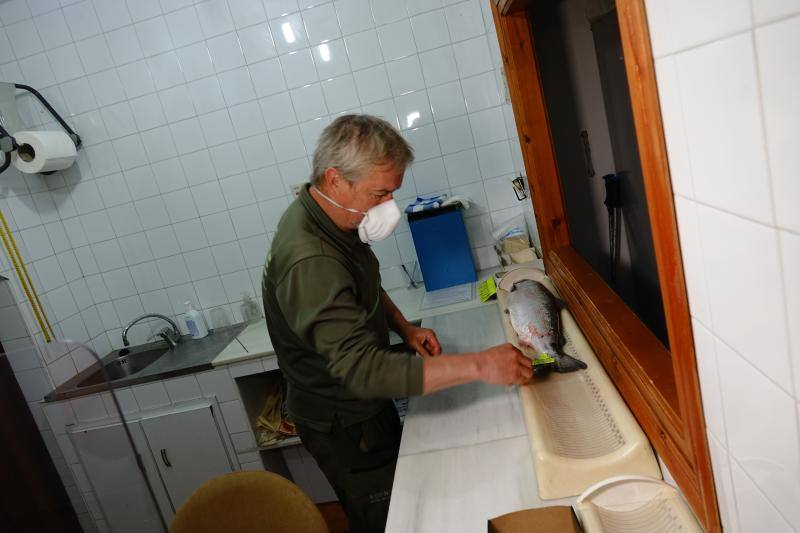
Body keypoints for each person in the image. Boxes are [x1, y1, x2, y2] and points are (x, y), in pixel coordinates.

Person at [262, 114, 531, 533]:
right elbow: (363, 372)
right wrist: (482, 365)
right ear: (335, 180)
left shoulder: (333, 216)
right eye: (380, 193)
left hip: (365, 407)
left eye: (392, 193)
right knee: (392, 517)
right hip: (343, 421)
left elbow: (362, 285)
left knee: (407, 490)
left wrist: (405, 327)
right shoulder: (309, 258)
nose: (389, 206)